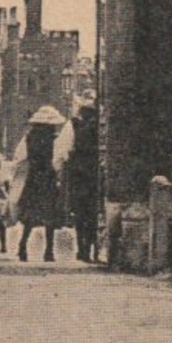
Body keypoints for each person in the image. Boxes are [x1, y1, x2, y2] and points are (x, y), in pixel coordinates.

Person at [15, 107, 66, 262]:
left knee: (31, 215)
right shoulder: (55, 139)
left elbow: (20, 158)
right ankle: (49, 251)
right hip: (48, 178)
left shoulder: (28, 138)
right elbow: (58, 159)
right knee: (49, 215)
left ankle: (22, 246)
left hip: (33, 178)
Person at [67, 103, 101, 263]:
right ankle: (90, 250)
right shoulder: (93, 129)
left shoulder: (78, 130)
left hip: (79, 180)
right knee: (91, 216)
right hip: (91, 179)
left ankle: (83, 249)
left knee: (81, 217)